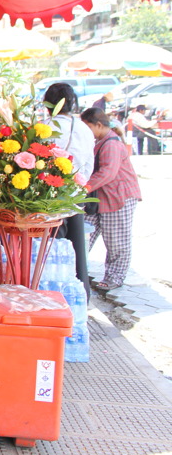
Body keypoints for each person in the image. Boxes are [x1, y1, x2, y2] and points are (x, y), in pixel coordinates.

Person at [80, 108, 142, 293]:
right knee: (84, 235)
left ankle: (114, 278)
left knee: (116, 242)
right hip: (100, 199)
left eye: (88, 127)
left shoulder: (111, 144)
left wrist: (85, 187)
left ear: (99, 125)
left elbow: (108, 172)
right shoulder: (101, 141)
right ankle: (80, 271)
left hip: (117, 198)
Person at [43, 82, 96, 299]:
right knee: (76, 251)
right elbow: (90, 164)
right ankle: (81, 295)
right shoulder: (84, 128)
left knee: (52, 252)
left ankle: (52, 294)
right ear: (72, 103)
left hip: (48, 201)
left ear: (48, 104)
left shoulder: (46, 127)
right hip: (75, 197)